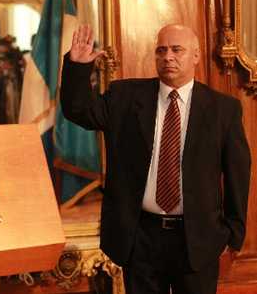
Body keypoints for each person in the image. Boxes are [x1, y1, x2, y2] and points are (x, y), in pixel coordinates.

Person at [60, 24, 251, 294]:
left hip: (197, 239)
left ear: (195, 55)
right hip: (140, 237)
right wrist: (77, 68)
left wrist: (233, 233)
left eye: (177, 50)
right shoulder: (125, 97)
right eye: (161, 50)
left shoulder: (223, 109)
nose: (168, 57)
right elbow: (78, 111)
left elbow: (238, 174)